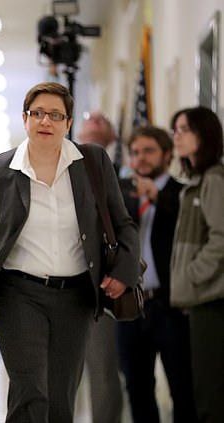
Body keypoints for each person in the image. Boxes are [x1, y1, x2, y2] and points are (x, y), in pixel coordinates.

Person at [0, 82, 140, 423]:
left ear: (68, 123)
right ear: (25, 118)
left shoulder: (92, 162)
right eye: (38, 113)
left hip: (76, 296)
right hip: (17, 294)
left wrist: (123, 272)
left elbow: (123, 224)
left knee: (61, 396)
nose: (46, 121)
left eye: (56, 115)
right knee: (30, 391)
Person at [117, 125, 196, 423]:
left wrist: (157, 195)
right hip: (131, 305)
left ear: (167, 154)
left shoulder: (182, 192)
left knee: (182, 387)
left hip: (171, 306)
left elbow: (186, 224)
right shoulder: (122, 194)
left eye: (149, 151)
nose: (141, 158)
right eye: (135, 152)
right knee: (137, 388)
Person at [170, 106, 224, 423]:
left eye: (184, 129)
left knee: (210, 395)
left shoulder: (214, 179)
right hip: (199, 299)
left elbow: (221, 238)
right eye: (175, 130)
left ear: (203, 135)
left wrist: (193, 276)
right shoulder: (196, 181)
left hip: (212, 300)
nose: (177, 136)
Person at [77, 110, 124, 423]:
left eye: (101, 118)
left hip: (102, 285)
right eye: (88, 116)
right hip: (55, 282)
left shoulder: (124, 175)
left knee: (103, 369)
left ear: (113, 136)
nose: (94, 118)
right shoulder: (60, 168)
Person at [79, 110, 130, 177]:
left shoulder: (119, 172)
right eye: (90, 118)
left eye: (101, 119)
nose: (95, 121)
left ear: (112, 136)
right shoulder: (70, 166)